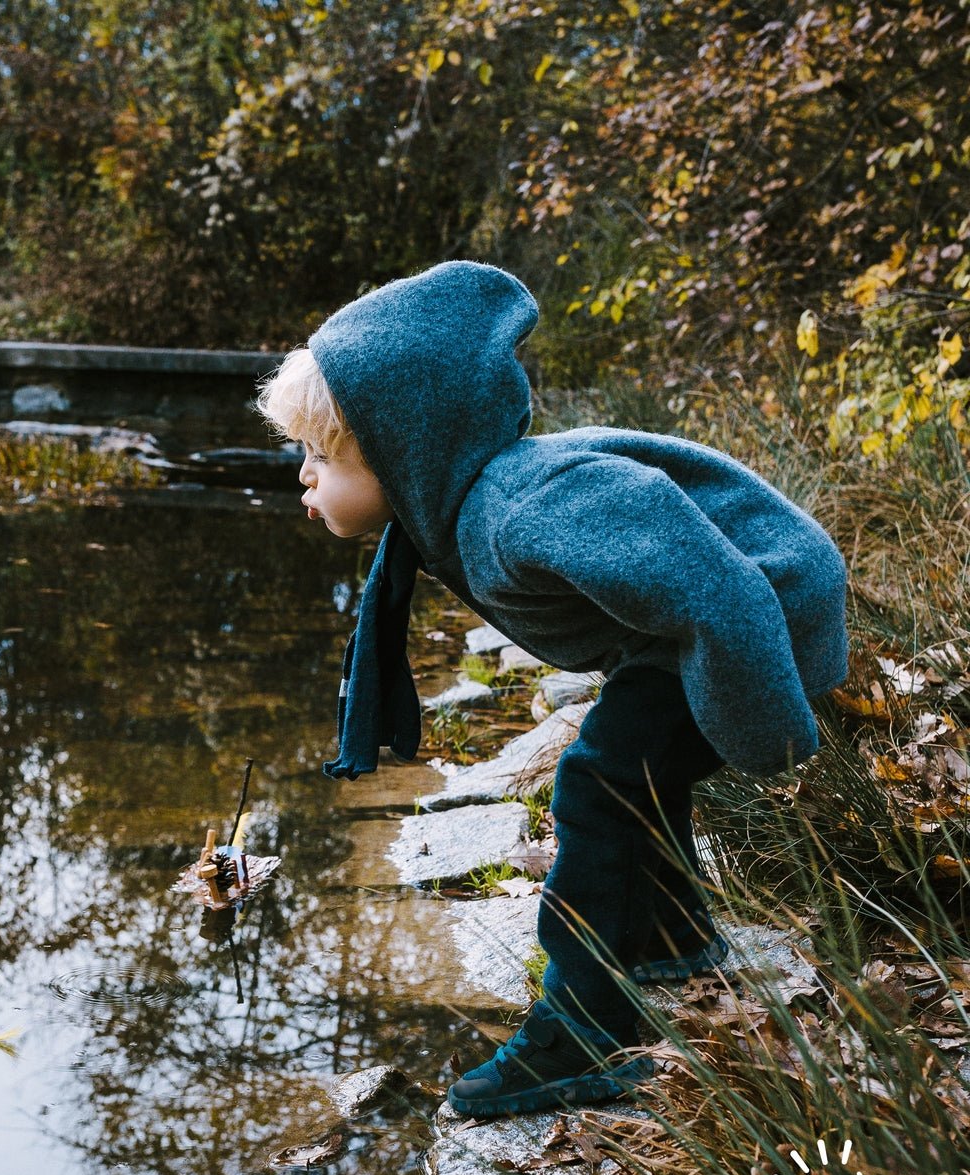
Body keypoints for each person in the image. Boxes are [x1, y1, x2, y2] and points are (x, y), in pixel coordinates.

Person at [255, 260, 848, 1118]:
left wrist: (770, 733)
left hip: (765, 604)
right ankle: (670, 940)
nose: (305, 476)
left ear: (403, 447)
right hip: (705, 619)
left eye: (321, 453)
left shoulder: (522, 508)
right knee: (637, 768)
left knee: (600, 785)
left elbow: (717, 586)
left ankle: (581, 1035)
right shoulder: (451, 515)